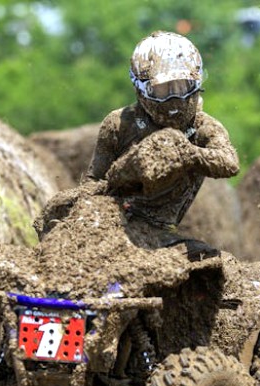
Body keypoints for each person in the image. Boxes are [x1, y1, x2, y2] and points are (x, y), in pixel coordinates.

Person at [36, 30, 239, 258]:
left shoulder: (203, 126)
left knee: (214, 265)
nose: (174, 99)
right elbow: (94, 182)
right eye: (162, 90)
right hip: (113, 220)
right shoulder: (119, 124)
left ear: (197, 83)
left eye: (182, 87)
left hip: (162, 232)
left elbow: (229, 162)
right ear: (141, 90)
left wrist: (187, 154)